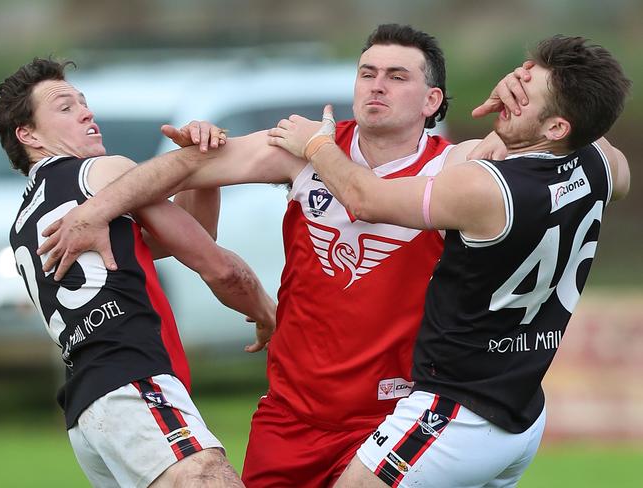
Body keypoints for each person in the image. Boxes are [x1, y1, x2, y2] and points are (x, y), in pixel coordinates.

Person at [35, 25, 526, 486]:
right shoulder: (302, 149)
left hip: (394, 412)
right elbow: (186, 168)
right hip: (291, 415)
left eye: (397, 77)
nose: (377, 86)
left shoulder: (456, 165)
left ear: (431, 100)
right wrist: (97, 209)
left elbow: (555, 147)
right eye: (367, 73)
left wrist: (523, 103)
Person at [267, 35, 631, 487]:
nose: (509, 97)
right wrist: (549, 101)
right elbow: (594, 133)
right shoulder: (602, 165)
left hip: (454, 412)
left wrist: (315, 146)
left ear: (557, 128)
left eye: (522, 96)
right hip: (522, 411)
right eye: (517, 80)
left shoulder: (486, 188)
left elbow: (364, 197)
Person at [0, 57, 277, 488]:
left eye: (84, 102)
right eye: (65, 107)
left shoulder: (23, 225)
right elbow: (220, 268)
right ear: (27, 134)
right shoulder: (98, 173)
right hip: (132, 384)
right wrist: (269, 315)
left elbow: (189, 237)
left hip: (87, 415)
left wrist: (204, 175)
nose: (87, 112)